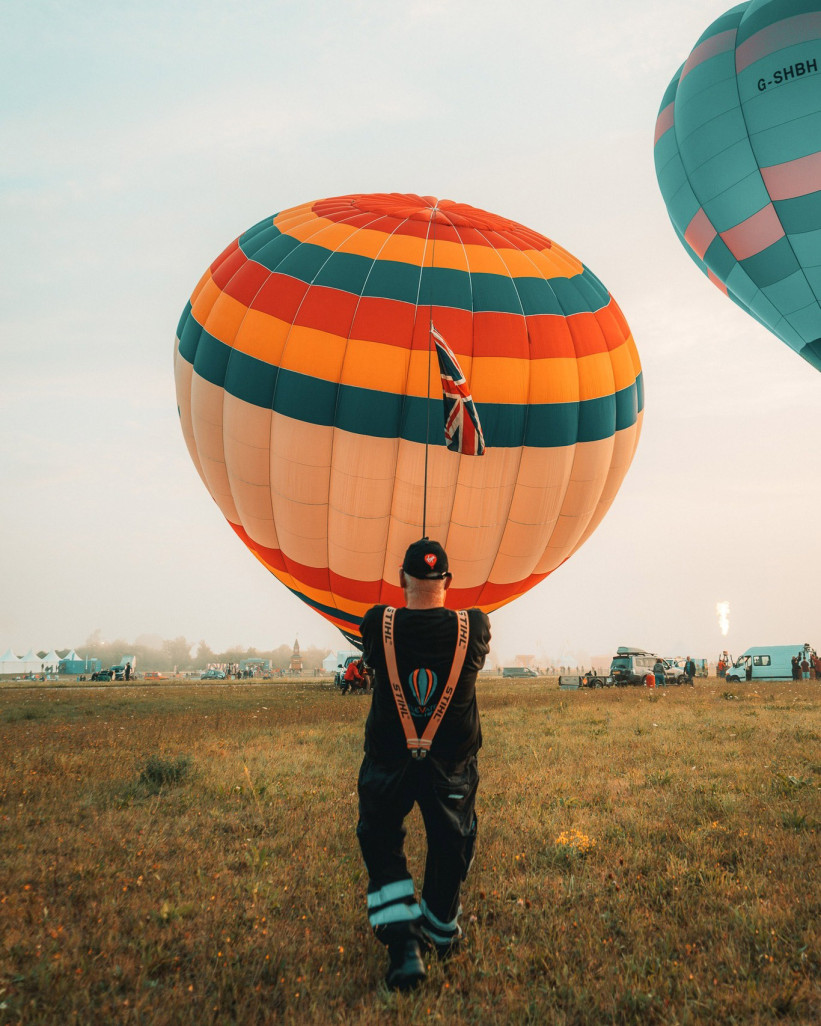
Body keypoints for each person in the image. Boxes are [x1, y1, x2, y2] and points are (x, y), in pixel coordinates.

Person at [356, 538, 491, 992]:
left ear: (401, 580)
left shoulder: (378, 623)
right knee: (451, 841)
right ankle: (439, 930)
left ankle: (404, 945)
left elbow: (372, 656)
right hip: (450, 762)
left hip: (389, 760)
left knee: (380, 840)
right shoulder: (474, 625)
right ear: (448, 582)